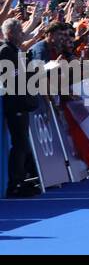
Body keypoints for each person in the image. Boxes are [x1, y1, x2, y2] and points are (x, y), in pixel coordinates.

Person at [1, 15, 41, 197]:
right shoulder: (5, 51)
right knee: (20, 144)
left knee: (23, 143)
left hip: (21, 101)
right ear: (10, 33)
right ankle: (14, 184)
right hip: (14, 102)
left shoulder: (15, 50)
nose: (22, 34)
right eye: (19, 31)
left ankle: (22, 179)